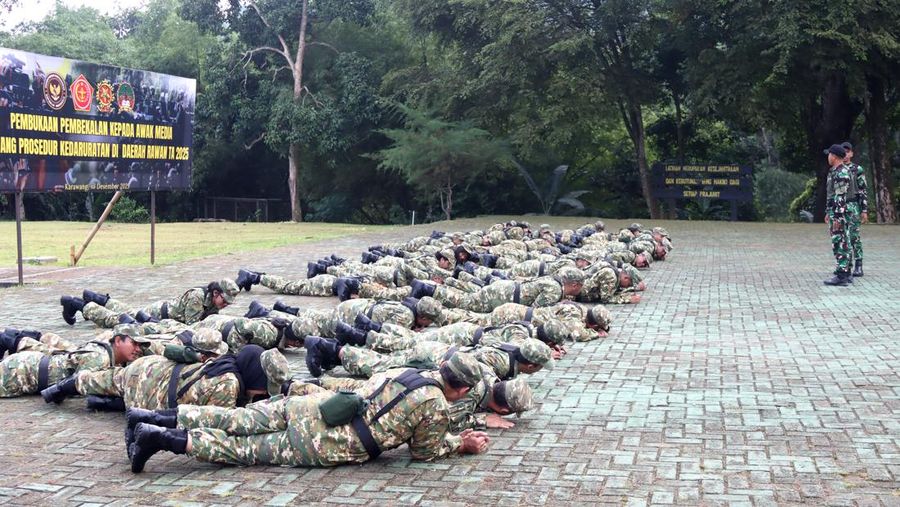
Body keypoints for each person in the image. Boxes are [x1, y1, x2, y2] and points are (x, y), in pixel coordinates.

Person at [125, 351, 490, 472]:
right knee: (240, 449)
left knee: (236, 419)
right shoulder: (435, 406)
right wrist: (461, 444)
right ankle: (159, 438)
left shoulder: (406, 370)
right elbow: (424, 452)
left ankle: (151, 416)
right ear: (459, 388)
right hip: (327, 439)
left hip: (311, 406)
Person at [0, 329, 140, 398]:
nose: (138, 349)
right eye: (134, 343)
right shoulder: (100, 357)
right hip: (23, 372)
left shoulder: (110, 358)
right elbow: (81, 386)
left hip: (31, 369)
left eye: (140, 345)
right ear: (117, 341)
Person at [60, 279, 241, 327]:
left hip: (161, 315)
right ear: (216, 292)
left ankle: (95, 298)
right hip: (157, 315)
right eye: (224, 301)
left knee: (124, 311)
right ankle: (76, 304)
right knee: (117, 319)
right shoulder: (198, 297)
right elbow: (192, 326)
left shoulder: (212, 303)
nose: (225, 304)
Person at [823, 144, 852, 286]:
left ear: (834, 156)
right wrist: (828, 212)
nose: (828, 157)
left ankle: (842, 275)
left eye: (829, 154)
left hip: (840, 213)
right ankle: (844, 272)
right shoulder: (834, 171)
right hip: (835, 212)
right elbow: (832, 195)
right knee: (839, 241)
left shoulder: (841, 173)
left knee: (840, 242)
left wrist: (837, 217)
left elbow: (840, 197)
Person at [841, 142, 868, 277]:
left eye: (847, 152)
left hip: (853, 206)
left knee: (854, 236)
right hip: (840, 206)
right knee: (842, 237)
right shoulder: (837, 169)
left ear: (851, 153)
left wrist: (864, 210)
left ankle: (858, 264)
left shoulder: (857, 169)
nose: (845, 154)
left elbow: (863, 190)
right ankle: (846, 265)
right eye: (843, 152)